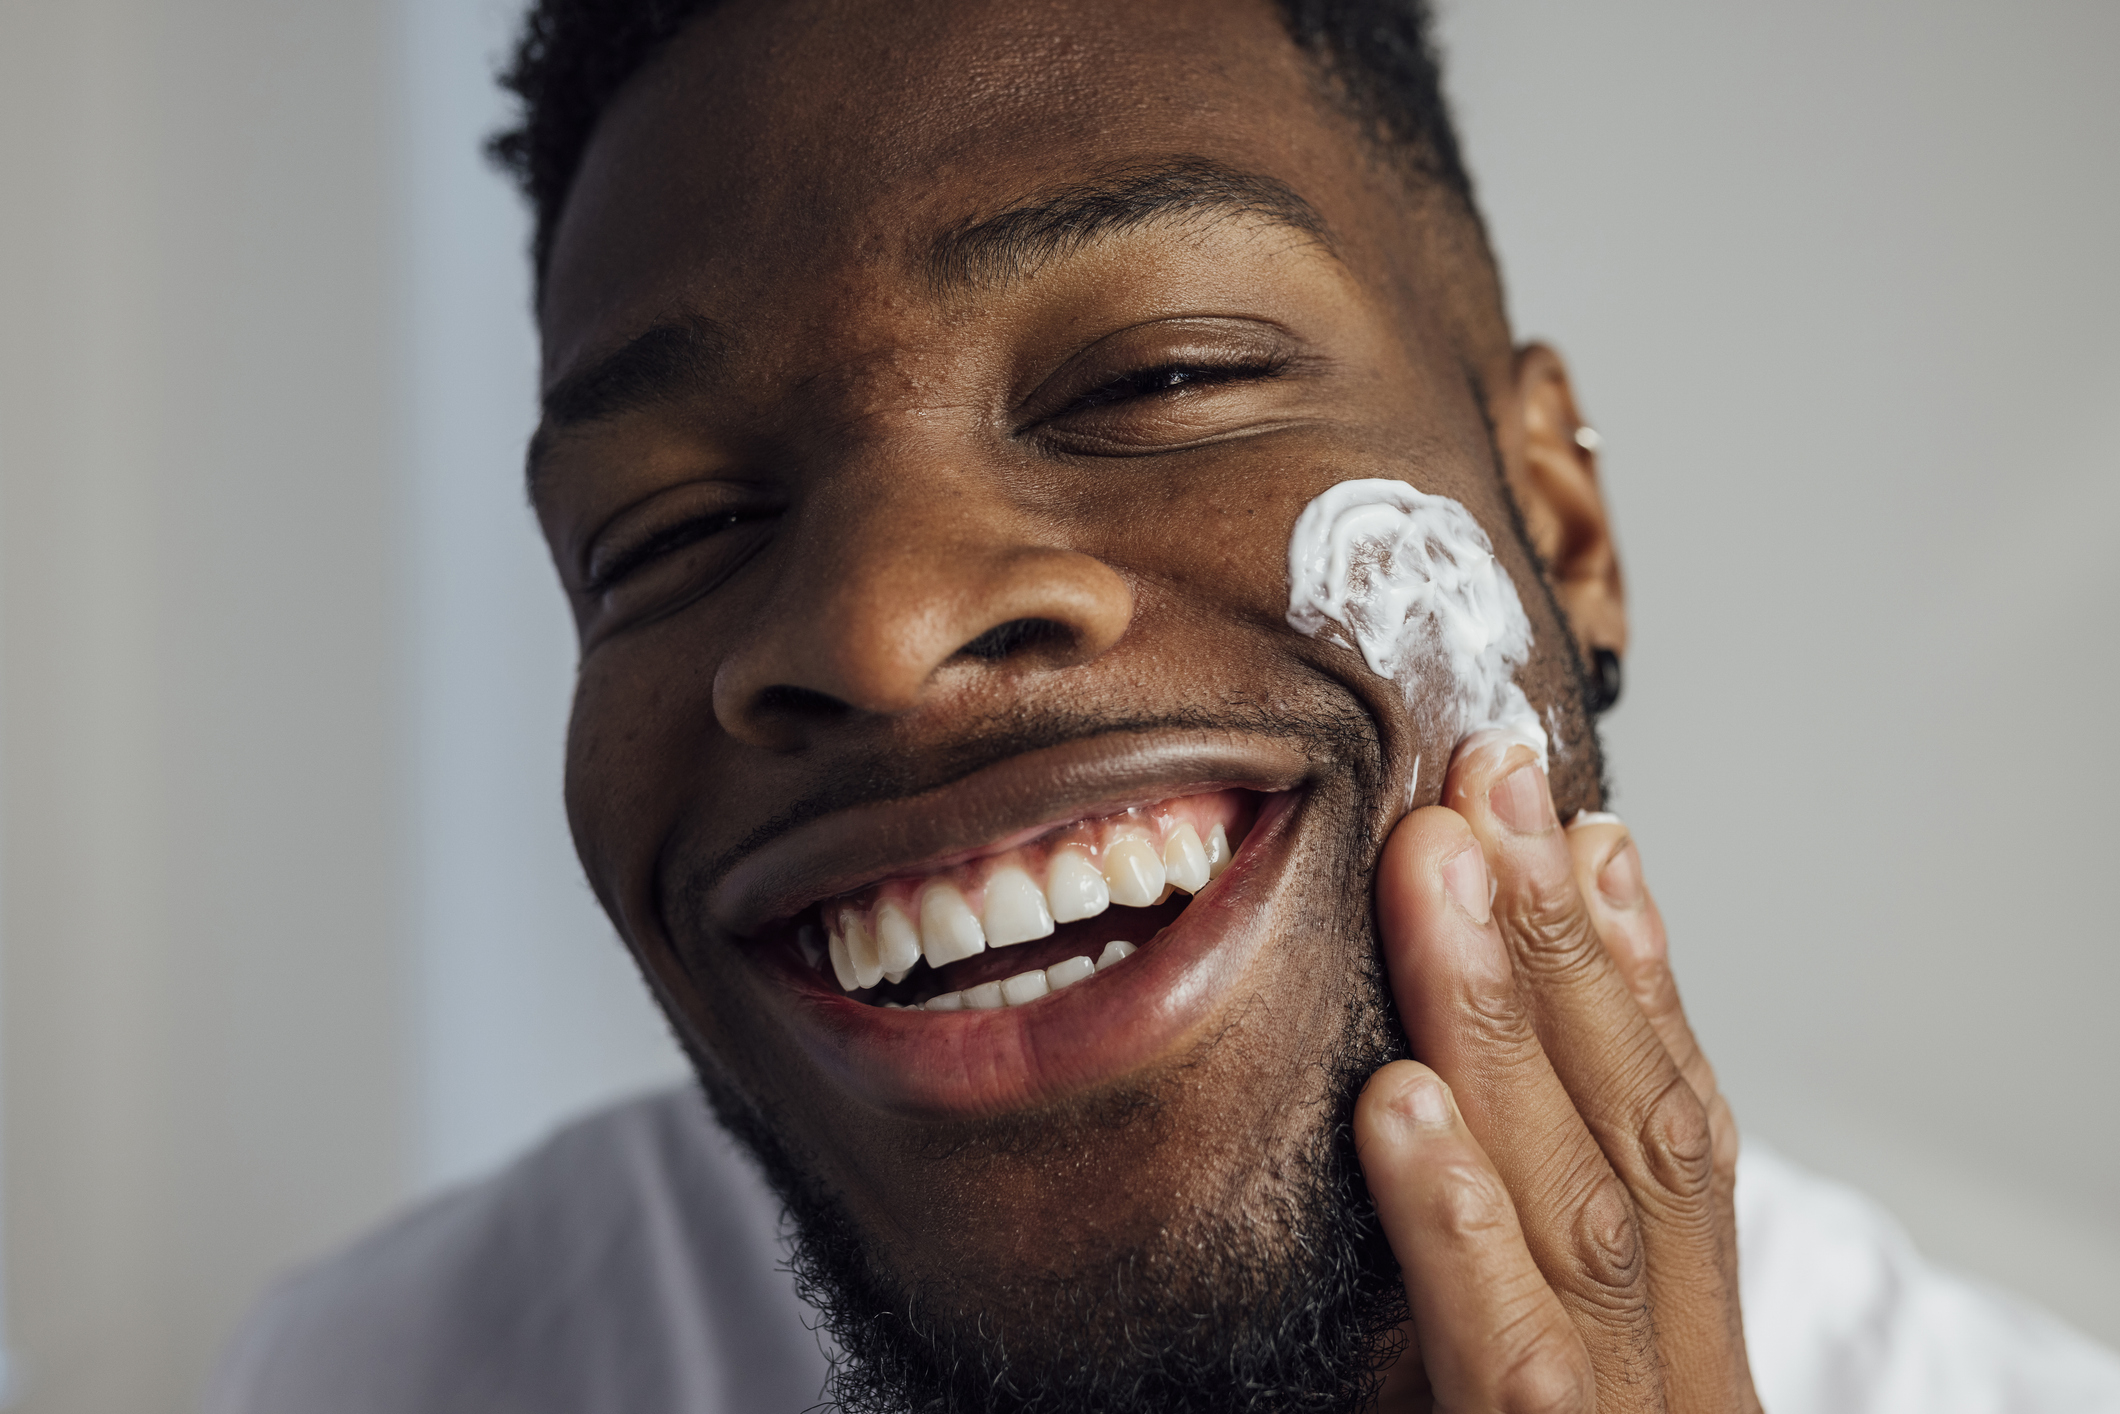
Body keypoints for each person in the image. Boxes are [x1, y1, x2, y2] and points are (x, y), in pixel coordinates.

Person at [212, 2, 2120, 1411]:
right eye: (669, 530)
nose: (876, 628)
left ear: (1561, 519)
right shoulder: (380, 1373)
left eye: (1159, 376)